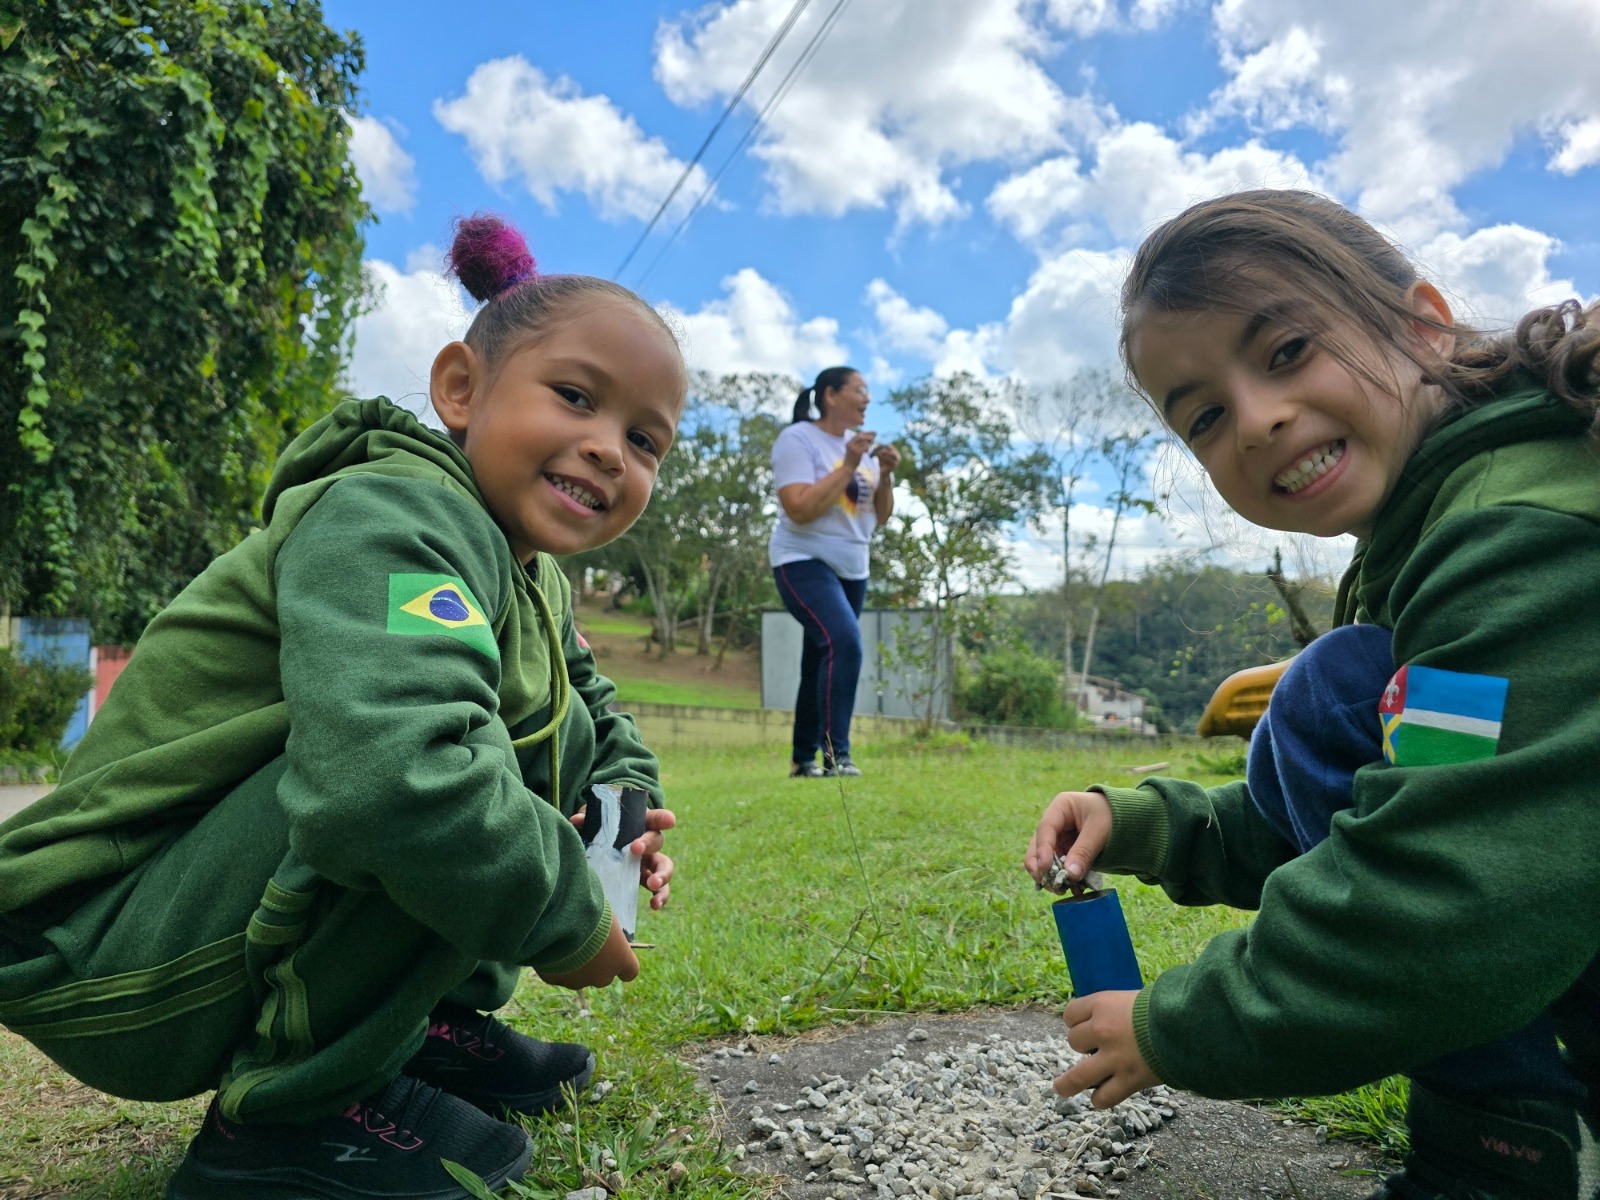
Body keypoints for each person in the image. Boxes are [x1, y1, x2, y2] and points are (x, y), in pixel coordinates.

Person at [0, 214, 686, 1200]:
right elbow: (393, 779)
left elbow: (597, 713)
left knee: (530, 728)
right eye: (574, 397)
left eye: (643, 438)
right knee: (414, 766)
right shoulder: (389, 514)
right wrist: (565, 916)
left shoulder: (529, 579)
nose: (607, 449)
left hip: (192, 932)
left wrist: (623, 814)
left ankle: (410, 1030)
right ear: (461, 388)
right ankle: (285, 1122)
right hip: (98, 949)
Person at [1024, 189, 1600, 1200]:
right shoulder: (1435, 527)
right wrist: (1153, 824)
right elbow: (1424, 784)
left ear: (1420, 319)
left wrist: (1173, 1027)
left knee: (1334, 687)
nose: (1254, 420)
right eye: (1202, 415)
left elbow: (1441, 892)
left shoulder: (1517, 531)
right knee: (1343, 691)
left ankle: (1509, 1158)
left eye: (1286, 351)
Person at [769, 366, 900, 778]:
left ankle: (802, 759)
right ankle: (837, 755)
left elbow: (878, 517)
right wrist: (848, 464)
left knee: (819, 658)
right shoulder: (798, 439)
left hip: (853, 568)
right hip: (802, 558)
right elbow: (800, 508)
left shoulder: (856, 448)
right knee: (844, 643)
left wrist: (887, 476)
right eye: (859, 390)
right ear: (830, 395)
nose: (867, 399)